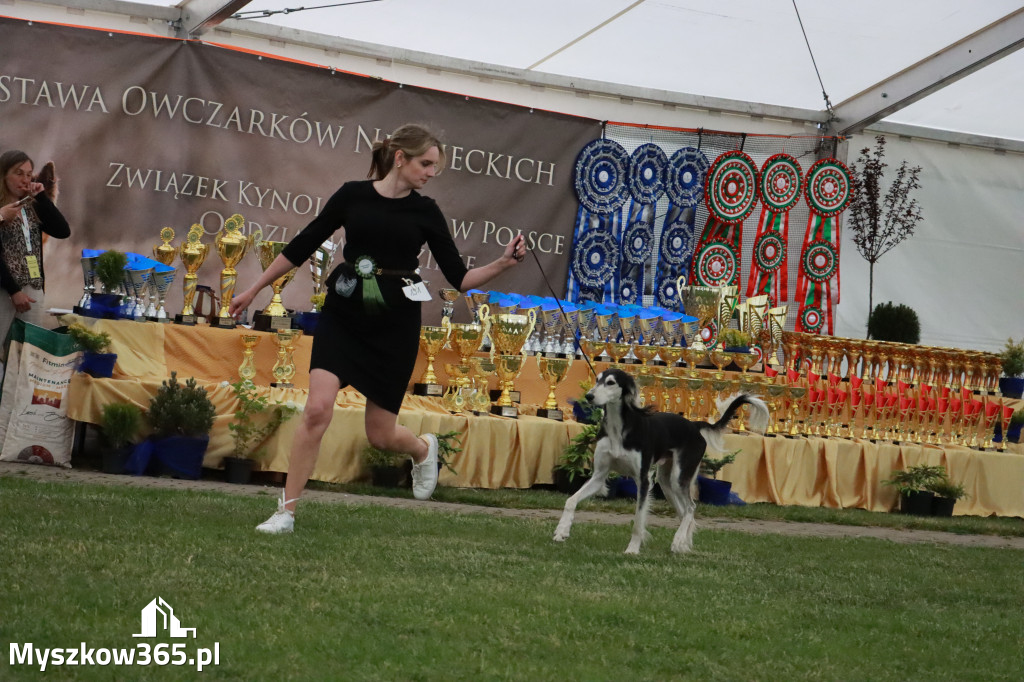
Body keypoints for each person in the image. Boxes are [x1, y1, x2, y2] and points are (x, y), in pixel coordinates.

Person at [228, 123, 527, 534]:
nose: (431, 172)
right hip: (345, 312)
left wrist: (504, 263)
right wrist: (253, 288)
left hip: (395, 321)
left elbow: (460, 278)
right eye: (425, 163)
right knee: (317, 409)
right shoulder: (352, 194)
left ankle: (423, 450)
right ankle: (286, 512)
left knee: (381, 435)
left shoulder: (426, 211)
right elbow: (303, 244)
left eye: (435, 166)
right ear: (400, 158)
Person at [0, 150, 71, 347]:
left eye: (29, 174)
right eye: (18, 173)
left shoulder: (34, 204)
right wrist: (14, 291)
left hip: (33, 288)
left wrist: (42, 198)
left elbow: (63, 231)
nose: (25, 179)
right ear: (4, 174)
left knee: (27, 354)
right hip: (4, 288)